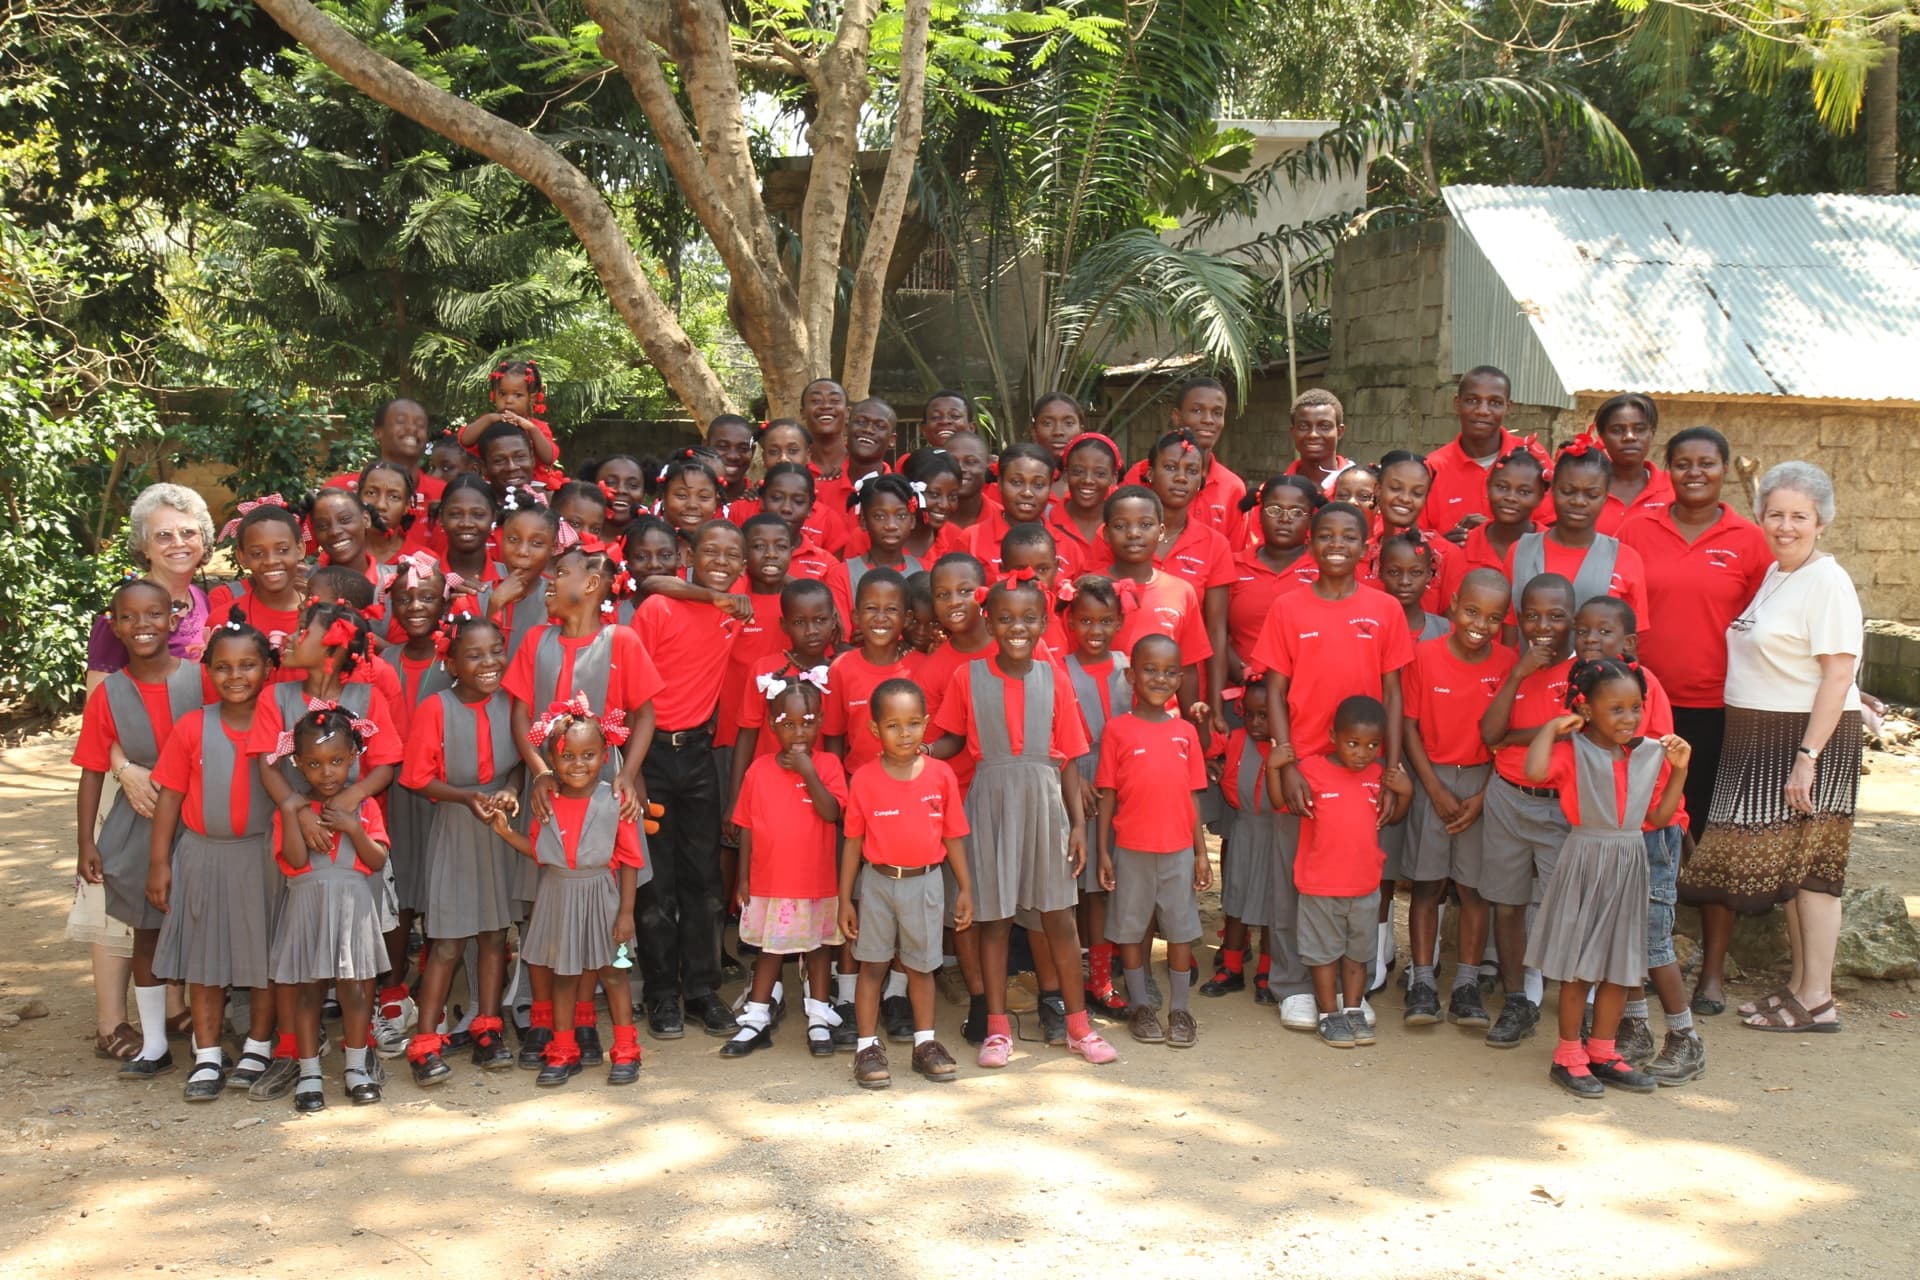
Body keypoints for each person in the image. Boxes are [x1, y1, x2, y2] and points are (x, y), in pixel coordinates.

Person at [1678, 461, 1863, 1035]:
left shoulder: (1827, 580)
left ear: (1822, 522)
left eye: (1799, 516)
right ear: (1760, 516)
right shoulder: (1781, 574)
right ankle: (1801, 990)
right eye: (1776, 514)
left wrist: (1807, 758)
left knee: (1815, 875)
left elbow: (1837, 676)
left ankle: (1819, 999)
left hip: (1806, 741)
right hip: (1766, 737)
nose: (1786, 525)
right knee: (1793, 874)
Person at [928, 573, 1116, 1067]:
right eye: (1006, 617)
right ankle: (996, 1029)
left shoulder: (1054, 678)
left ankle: (1078, 1025)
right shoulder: (966, 677)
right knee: (994, 921)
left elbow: (1072, 759)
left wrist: (1077, 825)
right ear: (988, 619)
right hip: (989, 806)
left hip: (1045, 806)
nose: (1017, 627)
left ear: (1044, 623)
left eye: (1029, 618)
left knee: (1059, 918)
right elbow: (949, 739)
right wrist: (922, 751)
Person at [501, 537, 659, 1056]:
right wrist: (541, 771)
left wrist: (626, 777)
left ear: (590, 585)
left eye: (559, 573)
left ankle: (588, 1022)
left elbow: (644, 715)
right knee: (548, 903)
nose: (548, 582)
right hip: (549, 785)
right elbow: (522, 715)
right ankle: (546, 1021)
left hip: (604, 789)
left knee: (604, 905)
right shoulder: (535, 641)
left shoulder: (621, 641)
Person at [1523, 658, 1689, 1097]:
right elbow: (1534, 772)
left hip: (1630, 861)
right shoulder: (1571, 750)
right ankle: (1568, 1055)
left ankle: (1602, 1050)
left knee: (1620, 967)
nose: (1629, 717)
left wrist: (1681, 771)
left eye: (1636, 707)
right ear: (1586, 708)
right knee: (1579, 968)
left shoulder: (1649, 753)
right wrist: (1550, 729)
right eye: (1616, 709)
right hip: (1586, 861)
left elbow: (1658, 816)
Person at [74, 578, 207, 1080]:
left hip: (199, 820)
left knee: (201, 929)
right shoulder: (109, 695)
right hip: (140, 820)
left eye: (153, 615)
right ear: (115, 626)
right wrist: (86, 839)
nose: (142, 625)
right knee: (147, 934)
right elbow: (91, 769)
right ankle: (154, 1045)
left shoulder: (201, 679)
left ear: (173, 620)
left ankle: (207, 1043)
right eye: (128, 617)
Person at [1569, 595, 1706, 1082]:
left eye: (1603, 632)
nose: (1590, 639)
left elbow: (1660, 758)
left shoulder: (1643, 687)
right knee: (1620, 942)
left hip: (1649, 831)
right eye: (1583, 630)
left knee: (1651, 944)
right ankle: (1635, 1029)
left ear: (1628, 642)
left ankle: (1685, 1036)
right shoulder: (1584, 692)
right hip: (1613, 837)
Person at [1617, 427, 1771, 857]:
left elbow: (1768, 621)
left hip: (1715, 705)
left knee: (1701, 814)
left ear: (1724, 468)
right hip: (1641, 702)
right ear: (1669, 471)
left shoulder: (1750, 541)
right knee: (1638, 811)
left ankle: (1689, 907)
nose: (1695, 472)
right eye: (1683, 464)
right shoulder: (1636, 530)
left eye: (1707, 463)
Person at [145, 610, 279, 1100]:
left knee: (263, 956)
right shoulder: (192, 727)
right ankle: (205, 1056)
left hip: (263, 859)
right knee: (205, 961)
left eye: (248, 665)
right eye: (223, 666)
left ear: (268, 668)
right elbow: (170, 798)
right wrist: (160, 862)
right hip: (201, 856)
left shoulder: (282, 727)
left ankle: (257, 1047)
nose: (235, 676)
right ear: (208, 670)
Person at [631, 521, 746, 1038]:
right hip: (650, 759)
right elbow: (631, 690)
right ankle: (660, 994)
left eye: (732, 555)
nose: (722, 561)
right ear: (688, 555)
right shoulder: (658, 608)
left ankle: (702, 990)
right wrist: (630, 772)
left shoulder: (737, 609)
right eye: (711, 552)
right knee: (655, 886)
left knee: (704, 883)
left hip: (698, 757)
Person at [493, 700, 646, 1086]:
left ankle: (626, 1049)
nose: (578, 764)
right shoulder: (547, 801)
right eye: (567, 756)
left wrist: (626, 912)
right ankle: (564, 1049)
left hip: (601, 897)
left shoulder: (615, 800)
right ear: (551, 761)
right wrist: (506, 835)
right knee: (563, 976)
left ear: (606, 755)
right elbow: (541, 852)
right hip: (557, 896)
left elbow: (630, 860)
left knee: (613, 974)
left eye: (589, 755)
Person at [399, 616, 523, 1084]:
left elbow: (519, 765)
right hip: (457, 824)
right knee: (448, 941)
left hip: (497, 828)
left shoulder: (511, 702)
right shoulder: (436, 708)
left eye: (495, 651)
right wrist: (464, 796)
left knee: (494, 934)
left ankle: (488, 1028)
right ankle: (425, 1042)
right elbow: (416, 776)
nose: (488, 662)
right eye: (473, 655)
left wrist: (510, 789)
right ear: (451, 662)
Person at [841, 679, 975, 1088]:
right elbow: (852, 843)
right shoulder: (863, 779)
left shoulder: (940, 775)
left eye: (914, 723)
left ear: (926, 725)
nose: (905, 734)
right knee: (872, 966)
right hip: (878, 884)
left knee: (921, 967)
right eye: (893, 725)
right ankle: (866, 1047)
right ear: (874, 730)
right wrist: (845, 898)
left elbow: (953, 836)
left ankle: (925, 1044)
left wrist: (966, 888)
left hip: (926, 884)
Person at [1399, 569, 1515, 1027]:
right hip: (1432, 780)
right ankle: (1422, 980)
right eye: (1471, 611)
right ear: (1451, 606)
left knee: (1473, 890)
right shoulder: (1423, 657)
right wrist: (1433, 788)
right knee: (1427, 886)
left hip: (1485, 784)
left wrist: (1484, 797)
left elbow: (1509, 740)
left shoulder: (1507, 664)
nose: (1479, 625)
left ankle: (1466, 984)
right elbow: (1408, 726)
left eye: (1493, 618)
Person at [267, 706, 393, 1112]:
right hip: (309, 909)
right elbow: (293, 860)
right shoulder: (293, 811)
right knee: (308, 995)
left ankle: (356, 1069)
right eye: (316, 764)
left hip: (353, 910)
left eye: (337, 761)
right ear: (299, 764)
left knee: (356, 993)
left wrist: (353, 826)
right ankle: (309, 1075)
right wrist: (290, 811)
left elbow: (376, 862)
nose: (327, 773)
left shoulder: (365, 807)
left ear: (354, 757)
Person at [1475, 573, 1577, 1048]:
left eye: (1556, 616)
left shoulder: (1585, 672)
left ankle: (1581, 1000)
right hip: (1507, 795)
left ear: (1572, 620)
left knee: (1564, 906)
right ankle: (1518, 999)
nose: (1544, 626)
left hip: (1561, 806)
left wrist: (1543, 731)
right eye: (1533, 615)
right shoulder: (1511, 670)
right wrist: (1519, 675)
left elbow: (1584, 733)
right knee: (1507, 901)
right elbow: (1489, 734)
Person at [1096, 633, 1212, 1049]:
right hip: (1131, 850)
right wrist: (1103, 852)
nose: (1159, 678)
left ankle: (1180, 1010)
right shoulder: (1117, 731)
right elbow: (1108, 793)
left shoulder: (1185, 733)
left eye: (1169, 672)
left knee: (1180, 931)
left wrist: (1201, 853)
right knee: (1130, 930)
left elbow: (1193, 795)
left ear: (1180, 678)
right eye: (1149, 669)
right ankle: (1142, 1005)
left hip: (1179, 850)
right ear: (1130, 675)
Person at [727, 676, 849, 1058]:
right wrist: (742, 877)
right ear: (772, 725)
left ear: (821, 723)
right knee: (769, 952)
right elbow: (745, 827)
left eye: (809, 722)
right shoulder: (758, 771)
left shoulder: (828, 765)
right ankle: (757, 1018)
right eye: (789, 723)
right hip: (769, 884)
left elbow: (832, 812)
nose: (799, 732)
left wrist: (808, 771)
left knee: (818, 951)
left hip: (815, 884)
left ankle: (818, 1015)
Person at [1296, 696, 1412, 1049]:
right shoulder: (1312, 769)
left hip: (1364, 886)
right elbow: (1283, 803)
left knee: (1358, 954)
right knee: (1323, 955)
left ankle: (1353, 1009)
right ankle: (1329, 1014)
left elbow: (1392, 817)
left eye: (1372, 746)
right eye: (1352, 743)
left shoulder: (1379, 775)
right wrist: (1275, 769)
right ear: (1333, 736)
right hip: (1320, 886)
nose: (1362, 753)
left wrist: (1405, 794)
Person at [1057, 575, 1131, 1016]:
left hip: (1125, 783)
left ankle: (1116, 968)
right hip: (1079, 783)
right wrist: (1076, 775)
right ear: (1069, 621)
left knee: (1119, 879)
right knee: (1086, 889)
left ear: (1120, 621)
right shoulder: (1059, 669)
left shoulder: (1129, 665)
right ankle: (1092, 975)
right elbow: (1056, 732)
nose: (1095, 630)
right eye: (1085, 620)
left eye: (1105, 620)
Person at [1509, 435, 1651, 630]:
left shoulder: (1626, 559)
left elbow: (1631, 640)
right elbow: (1509, 630)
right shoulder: (1520, 551)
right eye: (1567, 491)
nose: (1578, 502)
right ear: (1552, 490)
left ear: (1605, 496)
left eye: (1592, 495)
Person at [1204, 679, 1279, 1004]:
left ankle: (1268, 970)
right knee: (1235, 902)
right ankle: (1231, 967)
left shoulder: (1287, 746)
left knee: (1274, 906)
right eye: (1249, 715)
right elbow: (1209, 753)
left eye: (1265, 715)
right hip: (1244, 830)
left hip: (1277, 836)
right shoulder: (1236, 740)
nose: (1256, 723)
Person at [1418, 366, 1554, 541]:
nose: (1482, 410)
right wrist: (1444, 546)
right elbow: (1416, 540)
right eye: (1472, 400)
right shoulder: (1433, 467)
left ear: (1508, 407)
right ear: (1457, 404)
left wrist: (1501, 533)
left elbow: (1552, 527)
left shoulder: (1533, 457)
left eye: (1495, 402)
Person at [1225, 477, 1320, 685]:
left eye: (1296, 512)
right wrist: (1243, 675)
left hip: (1307, 691)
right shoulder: (1234, 565)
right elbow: (1216, 631)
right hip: (1243, 694)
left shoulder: (1324, 569)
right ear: (1259, 514)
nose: (1284, 519)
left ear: (1311, 519)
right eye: (1275, 510)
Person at [1434, 448, 1547, 607]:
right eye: (1502, 487)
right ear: (1488, 487)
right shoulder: (1461, 547)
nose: (1510, 497)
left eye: (1524, 491)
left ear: (1541, 496)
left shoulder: (1550, 546)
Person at [826, 475, 926, 633]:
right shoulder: (841, 576)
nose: (891, 525)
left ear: (912, 521)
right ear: (863, 521)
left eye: (901, 516)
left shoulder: (926, 570)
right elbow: (841, 640)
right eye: (880, 516)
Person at [458, 357, 563, 491]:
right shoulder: (489, 422)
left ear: (531, 399)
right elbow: (465, 440)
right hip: (496, 488)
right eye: (502, 393)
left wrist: (530, 428)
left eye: (517, 395)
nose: (508, 400)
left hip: (531, 488)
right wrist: (490, 419)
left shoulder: (536, 426)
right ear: (493, 394)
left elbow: (548, 458)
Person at [208, 499, 306, 642]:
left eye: (283, 550)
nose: (271, 561)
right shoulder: (222, 621)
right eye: (257, 553)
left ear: (300, 549)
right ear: (242, 557)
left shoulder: (323, 618)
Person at [965, 442, 1054, 577]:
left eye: (1039, 484)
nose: (1027, 492)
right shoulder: (970, 539)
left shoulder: (1069, 547)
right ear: (999, 483)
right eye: (1016, 482)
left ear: (1050, 488)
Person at [1592, 393, 1674, 535]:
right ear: (1602, 437)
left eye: (1639, 429)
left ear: (1652, 433)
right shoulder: (1583, 488)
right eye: (1617, 430)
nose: (1629, 437)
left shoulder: (1674, 486)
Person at [1047, 433, 1121, 580]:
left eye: (1099, 473)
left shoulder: (1122, 524)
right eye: (1078, 472)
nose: (1087, 480)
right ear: (1066, 475)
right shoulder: (1047, 520)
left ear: (1113, 478)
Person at [1283, 389, 1354, 498]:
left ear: (1340, 432)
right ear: (1293, 432)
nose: (1313, 434)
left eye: (1324, 426)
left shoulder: (1363, 489)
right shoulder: (1275, 491)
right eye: (1303, 427)